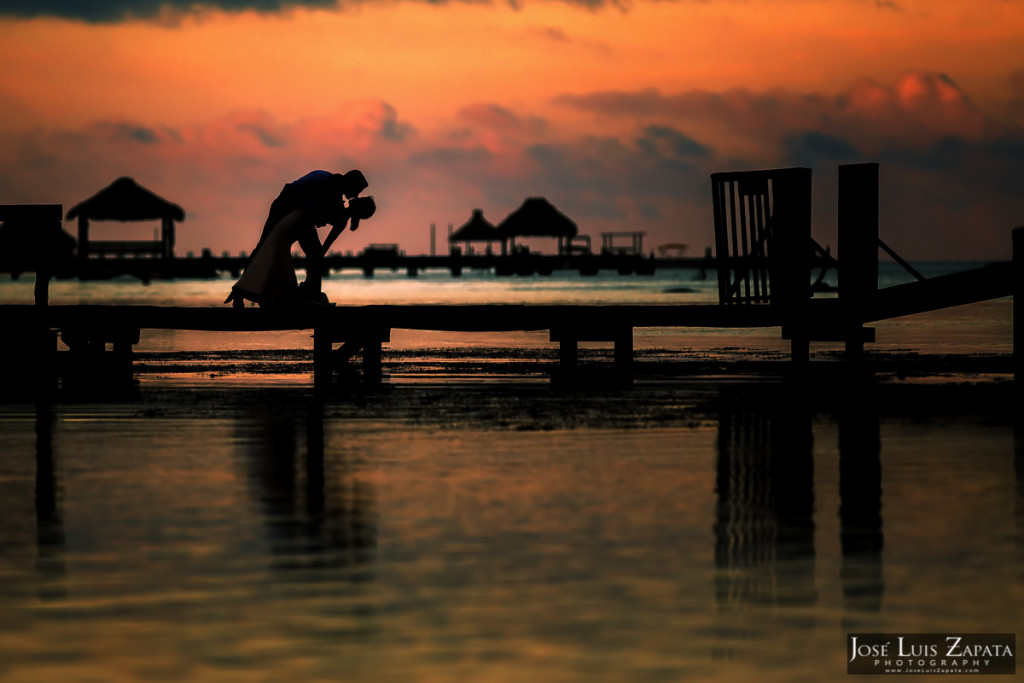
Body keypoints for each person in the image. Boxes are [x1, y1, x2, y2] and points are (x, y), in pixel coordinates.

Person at [225, 170, 374, 308]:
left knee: (312, 254)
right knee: (264, 246)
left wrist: (315, 260)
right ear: (349, 183)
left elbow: (321, 246)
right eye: (356, 191)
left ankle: (303, 296)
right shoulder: (324, 179)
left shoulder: (336, 200)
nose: (355, 195)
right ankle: (240, 292)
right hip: (284, 209)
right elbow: (298, 195)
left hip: (303, 221)